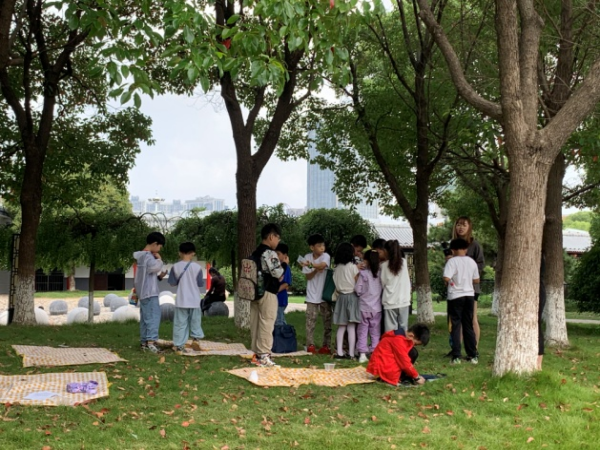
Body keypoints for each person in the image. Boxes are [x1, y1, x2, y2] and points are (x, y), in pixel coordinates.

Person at [250, 223, 284, 367]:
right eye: (277, 238)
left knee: (256, 323)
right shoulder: (270, 253)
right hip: (267, 292)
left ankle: (256, 354)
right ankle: (264, 355)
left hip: (254, 293)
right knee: (267, 322)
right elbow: (279, 273)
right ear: (271, 237)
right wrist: (284, 264)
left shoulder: (255, 253)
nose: (278, 241)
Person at [443, 238, 480, 364]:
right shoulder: (472, 262)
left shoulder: (452, 261)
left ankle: (456, 356)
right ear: (466, 249)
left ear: (453, 250)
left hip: (455, 296)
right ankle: (473, 355)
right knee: (468, 325)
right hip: (469, 295)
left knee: (456, 325)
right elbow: (476, 280)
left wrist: (452, 281)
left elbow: (446, 277)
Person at [451, 217, 485, 345]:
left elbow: (480, 264)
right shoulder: (452, 244)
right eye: (458, 225)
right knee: (457, 319)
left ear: (469, 227)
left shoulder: (474, 245)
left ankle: (474, 348)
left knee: (471, 318)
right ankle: (457, 348)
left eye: (464, 225)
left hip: (471, 288)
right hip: (456, 288)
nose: (460, 228)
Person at [168, 242, 205, 354]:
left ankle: (179, 346)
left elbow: (172, 283)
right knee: (195, 321)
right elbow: (200, 284)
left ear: (180, 252)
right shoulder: (197, 267)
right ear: (193, 253)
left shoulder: (175, 267)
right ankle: (196, 339)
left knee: (180, 323)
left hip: (181, 300)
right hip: (194, 299)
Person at [133, 232, 166, 353]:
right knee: (153, 317)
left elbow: (147, 275)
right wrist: (160, 260)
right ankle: (151, 343)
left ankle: (144, 342)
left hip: (143, 292)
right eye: (160, 246)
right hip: (150, 293)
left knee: (145, 319)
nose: (159, 249)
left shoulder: (141, 256)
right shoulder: (148, 256)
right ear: (155, 244)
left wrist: (159, 277)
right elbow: (154, 268)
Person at [301, 234, 332, 354]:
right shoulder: (307, 257)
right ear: (312, 247)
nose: (322, 248)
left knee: (327, 322)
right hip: (311, 295)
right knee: (310, 321)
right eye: (319, 246)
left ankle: (326, 345)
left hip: (324, 295)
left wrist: (310, 265)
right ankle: (310, 345)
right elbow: (308, 277)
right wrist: (314, 269)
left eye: (323, 245)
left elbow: (323, 265)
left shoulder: (326, 256)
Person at [332, 243, 360, 359]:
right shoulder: (353, 267)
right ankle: (351, 353)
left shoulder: (337, 268)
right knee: (351, 326)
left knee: (341, 326)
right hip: (352, 297)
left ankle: (339, 352)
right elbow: (357, 282)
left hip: (340, 297)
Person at [355, 249, 383, 363]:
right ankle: (375, 352)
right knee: (375, 332)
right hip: (376, 308)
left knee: (362, 331)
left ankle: (362, 354)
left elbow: (358, 290)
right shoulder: (380, 274)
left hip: (363, 307)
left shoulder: (363, 274)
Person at [381, 239, 411, 332]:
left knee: (390, 330)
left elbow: (383, 283)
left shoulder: (384, 265)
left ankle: (391, 342)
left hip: (390, 301)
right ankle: (402, 342)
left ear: (386, 251)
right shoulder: (404, 262)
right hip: (404, 300)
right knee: (403, 328)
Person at [275, 243, 292, 326]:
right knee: (279, 319)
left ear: (285, 256)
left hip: (280, 299)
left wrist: (275, 291)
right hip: (276, 299)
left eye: (278, 254)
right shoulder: (276, 267)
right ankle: (287, 332)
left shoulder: (286, 268)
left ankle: (283, 333)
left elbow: (286, 284)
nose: (276, 256)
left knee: (279, 321)